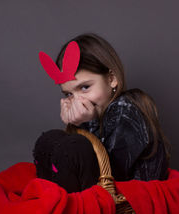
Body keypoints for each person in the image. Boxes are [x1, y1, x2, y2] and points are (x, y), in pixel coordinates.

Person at [33, 32, 171, 193]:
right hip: (101, 191)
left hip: (131, 196)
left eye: (85, 87)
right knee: (50, 140)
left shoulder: (126, 111)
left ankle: (70, 210)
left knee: (74, 148)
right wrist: (75, 124)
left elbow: (110, 175)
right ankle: (50, 201)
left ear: (112, 78)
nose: (78, 100)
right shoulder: (101, 111)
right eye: (69, 94)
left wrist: (86, 122)